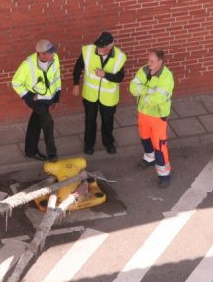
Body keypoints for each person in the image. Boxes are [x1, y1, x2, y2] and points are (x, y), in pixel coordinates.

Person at [72, 31, 127, 155]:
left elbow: (119, 78)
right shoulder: (88, 51)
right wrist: (76, 84)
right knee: (90, 120)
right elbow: (77, 67)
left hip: (108, 97)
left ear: (111, 46)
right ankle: (88, 145)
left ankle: (108, 143)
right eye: (98, 46)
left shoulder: (119, 57)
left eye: (102, 47)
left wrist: (105, 75)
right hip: (90, 94)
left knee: (108, 121)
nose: (99, 49)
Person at [129, 49, 174, 188]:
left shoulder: (166, 77)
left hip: (158, 116)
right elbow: (132, 87)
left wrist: (143, 92)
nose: (149, 63)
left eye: (152, 61)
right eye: (149, 60)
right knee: (144, 137)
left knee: (159, 146)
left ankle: (164, 175)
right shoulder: (144, 70)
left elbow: (158, 98)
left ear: (160, 62)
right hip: (143, 113)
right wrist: (148, 91)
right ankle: (149, 158)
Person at [11, 39, 61, 161]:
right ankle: (52, 153)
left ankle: (30, 151)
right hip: (36, 99)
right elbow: (16, 82)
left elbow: (57, 77)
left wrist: (56, 96)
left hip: (48, 98)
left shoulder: (54, 58)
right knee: (48, 122)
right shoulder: (28, 65)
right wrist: (27, 95)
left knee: (35, 123)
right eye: (50, 52)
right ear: (42, 54)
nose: (53, 54)